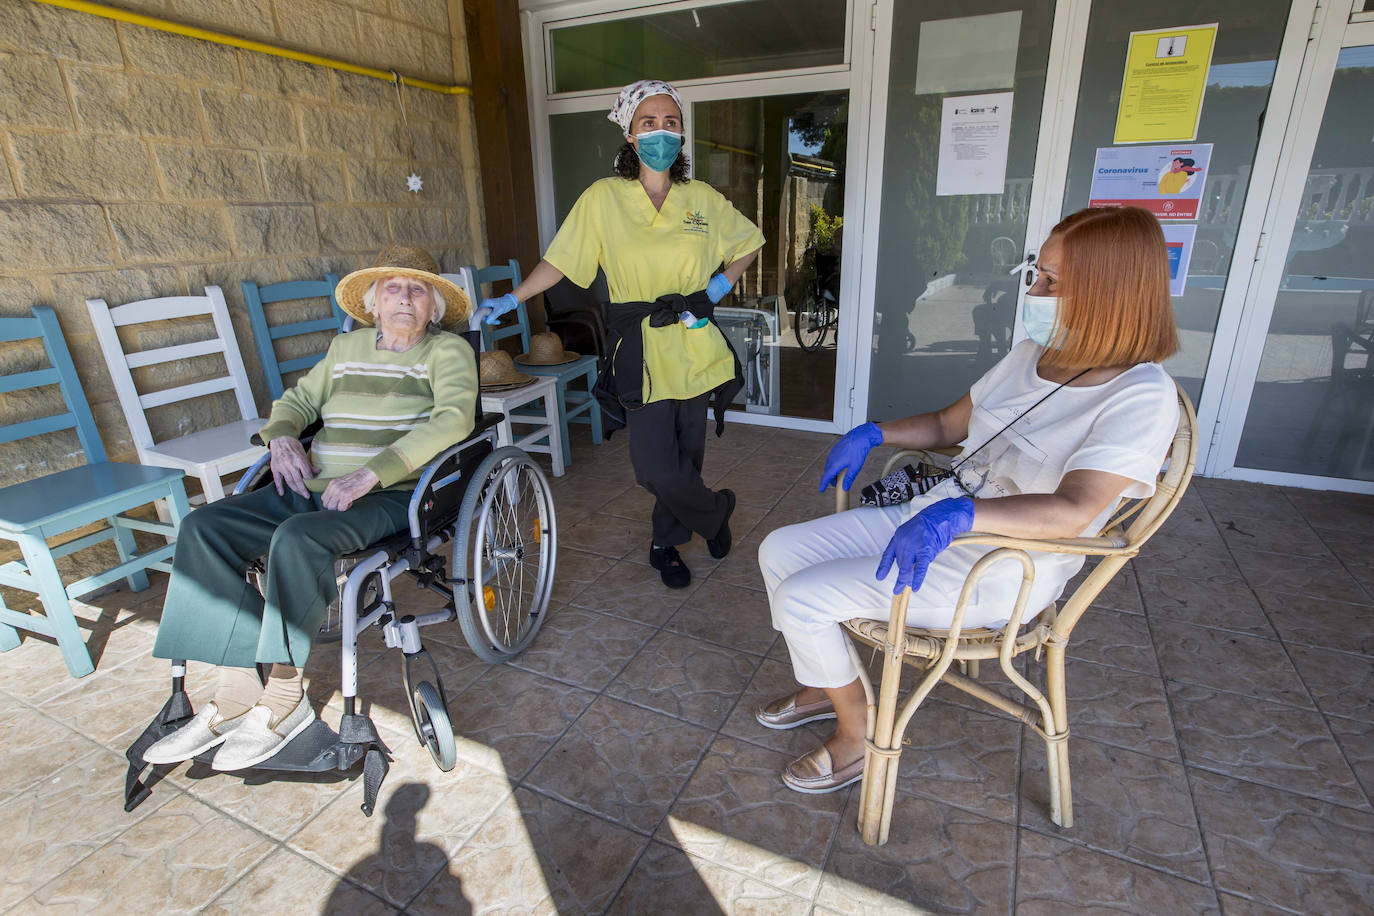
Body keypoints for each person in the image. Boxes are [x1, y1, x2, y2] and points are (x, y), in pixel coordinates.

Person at [756, 207, 1181, 793]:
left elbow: (1075, 509)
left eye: (1052, 282)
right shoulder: (1032, 356)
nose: (1035, 291)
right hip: (935, 516)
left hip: (1003, 562)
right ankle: (827, 684)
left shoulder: (1141, 395)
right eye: (1039, 274)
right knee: (781, 550)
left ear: (1111, 292)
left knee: (804, 596)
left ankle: (858, 736)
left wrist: (963, 514)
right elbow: (945, 424)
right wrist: (875, 431)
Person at [142, 245, 477, 771]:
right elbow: (298, 402)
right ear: (373, 303)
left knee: (297, 538)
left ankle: (283, 700)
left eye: (417, 289)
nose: (404, 298)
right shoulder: (345, 350)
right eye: (392, 287)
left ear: (433, 307)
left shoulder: (448, 352)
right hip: (313, 483)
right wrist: (281, 439)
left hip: (390, 493)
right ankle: (232, 693)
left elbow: (453, 421)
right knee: (203, 527)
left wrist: (371, 472)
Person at [479, 79, 766, 589]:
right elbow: (560, 261)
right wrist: (513, 297)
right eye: (649, 123)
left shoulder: (701, 199)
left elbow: (749, 241)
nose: (661, 132)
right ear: (630, 135)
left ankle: (665, 544)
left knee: (687, 455)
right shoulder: (603, 199)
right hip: (638, 345)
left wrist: (718, 285)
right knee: (655, 466)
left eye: (670, 123)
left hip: (693, 339)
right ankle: (715, 511)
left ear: (682, 134)